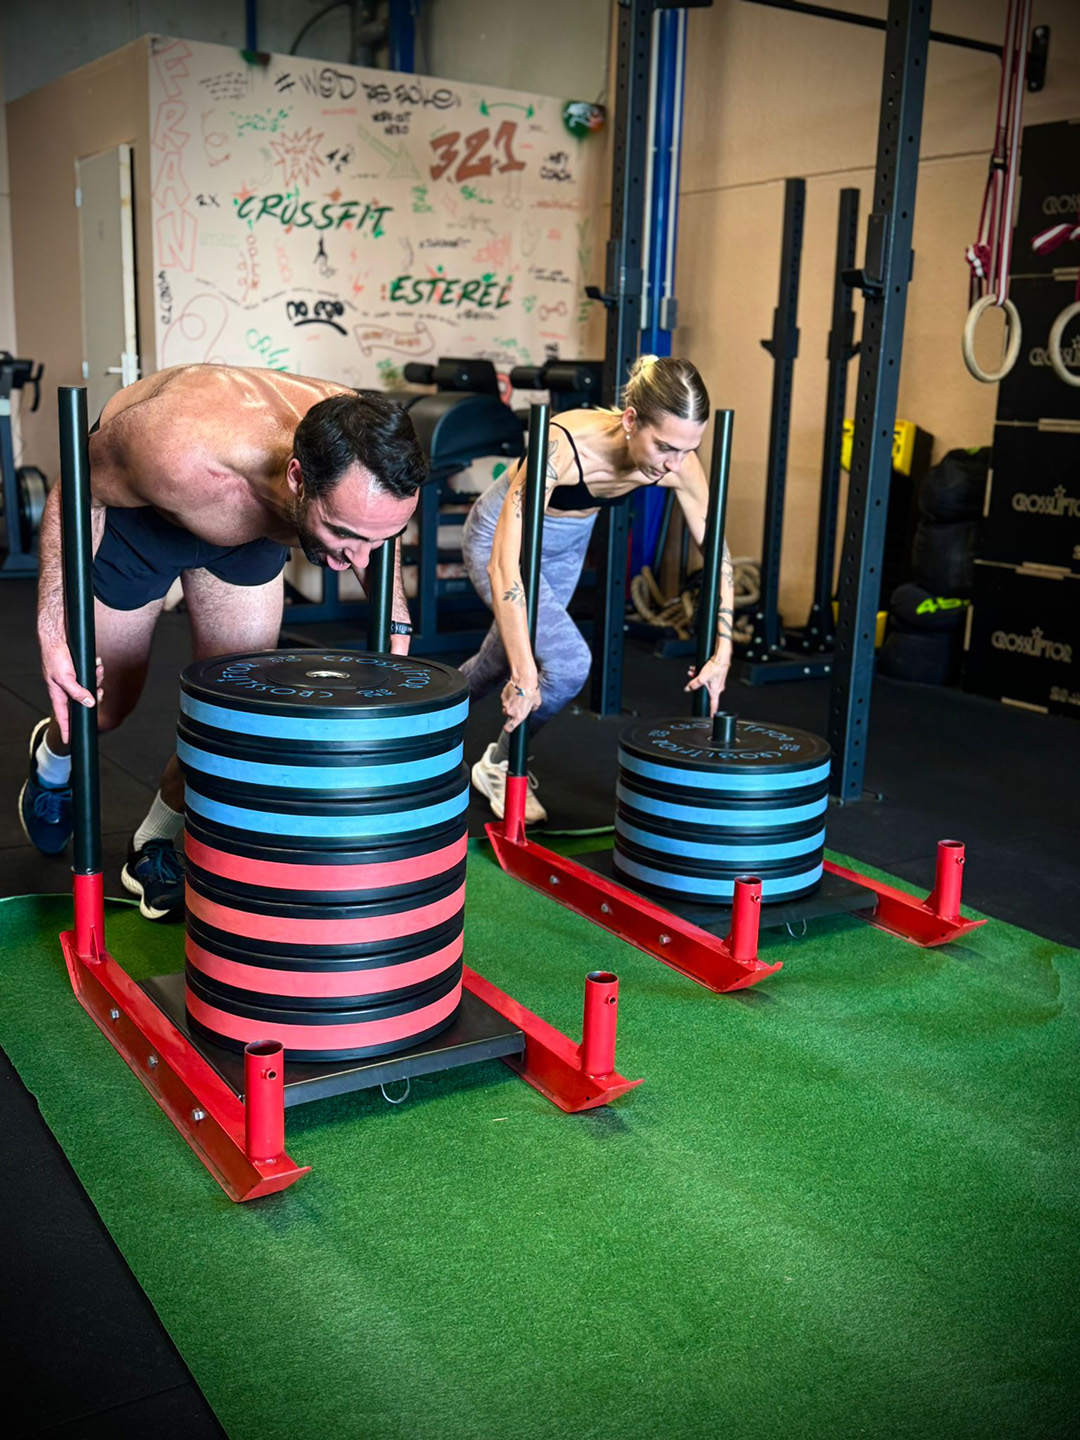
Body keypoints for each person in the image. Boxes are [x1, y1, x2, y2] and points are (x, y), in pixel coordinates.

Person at [20, 365, 425, 920]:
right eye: (344, 536)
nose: (359, 558)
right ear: (297, 476)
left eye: (375, 538)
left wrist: (395, 619)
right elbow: (74, 491)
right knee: (101, 707)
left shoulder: (362, 449)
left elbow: (373, 527)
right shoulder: (172, 445)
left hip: (248, 535)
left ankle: (155, 843)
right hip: (144, 522)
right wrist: (51, 629)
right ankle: (52, 762)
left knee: (231, 718)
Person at [460, 355, 734, 823]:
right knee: (563, 663)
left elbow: (717, 552)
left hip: (566, 546)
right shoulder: (563, 444)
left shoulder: (680, 464)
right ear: (631, 420)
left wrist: (724, 648)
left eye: (689, 450)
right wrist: (527, 673)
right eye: (666, 447)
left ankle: (410, 726)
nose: (676, 464)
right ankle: (502, 762)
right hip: (499, 537)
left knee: (497, 662)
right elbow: (503, 564)